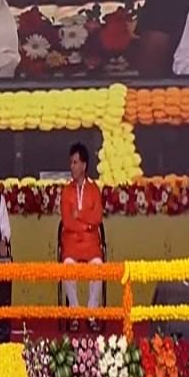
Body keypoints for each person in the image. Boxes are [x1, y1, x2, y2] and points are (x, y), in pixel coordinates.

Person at [60, 142, 105, 333]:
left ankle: (91, 314)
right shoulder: (66, 191)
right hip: (71, 244)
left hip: (91, 245)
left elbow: (97, 218)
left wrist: (80, 216)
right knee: (68, 267)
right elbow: (67, 221)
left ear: (84, 165)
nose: (72, 166)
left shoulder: (94, 190)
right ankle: (75, 313)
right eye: (71, 162)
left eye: (75, 162)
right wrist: (85, 226)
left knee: (98, 268)